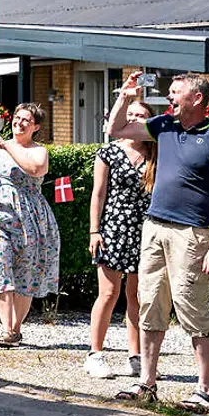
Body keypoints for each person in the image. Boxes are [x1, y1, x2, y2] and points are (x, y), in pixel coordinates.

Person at [109, 73, 209, 413]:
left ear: (196, 99)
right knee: (149, 305)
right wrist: (125, 97)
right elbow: (116, 131)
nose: (168, 97)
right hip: (155, 228)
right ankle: (146, 383)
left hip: (192, 235)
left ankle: (206, 391)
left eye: (175, 93)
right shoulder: (165, 126)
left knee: (192, 309)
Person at [0, 103, 60, 349]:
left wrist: (8, 144)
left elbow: (35, 169)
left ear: (36, 126)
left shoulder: (38, 151)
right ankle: (6, 329)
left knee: (24, 274)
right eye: (17, 118)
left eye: (26, 120)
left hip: (30, 219)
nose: (19, 122)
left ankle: (16, 329)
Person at [86, 98, 156, 380]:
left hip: (147, 230)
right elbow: (98, 194)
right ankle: (95, 353)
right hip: (113, 227)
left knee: (137, 297)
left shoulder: (156, 153)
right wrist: (94, 230)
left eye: (141, 114)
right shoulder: (108, 152)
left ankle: (135, 356)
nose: (135, 118)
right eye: (130, 114)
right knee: (108, 293)